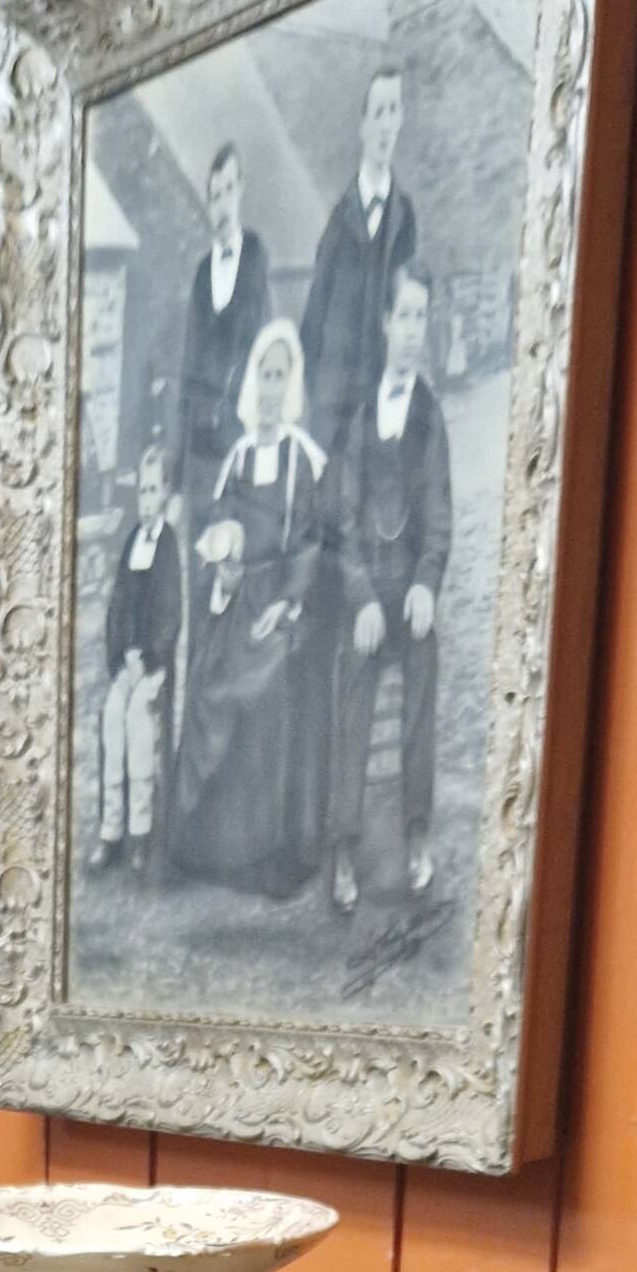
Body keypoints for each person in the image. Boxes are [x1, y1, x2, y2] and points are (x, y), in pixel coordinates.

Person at [167, 319, 332, 902]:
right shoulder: (237, 458)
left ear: (291, 386)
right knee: (209, 683)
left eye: (279, 376)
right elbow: (217, 529)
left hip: (280, 606)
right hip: (237, 599)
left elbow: (310, 544)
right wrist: (224, 562)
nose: (268, 387)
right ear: (251, 382)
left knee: (268, 691)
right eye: (262, 374)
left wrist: (286, 605)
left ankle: (266, 854)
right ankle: (209, 849)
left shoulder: (301, 461)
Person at [327, 260, 453, 911]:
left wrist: (426, 584)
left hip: (410, 594)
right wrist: (362, 598)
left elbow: (439, 514)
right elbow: (343, 520)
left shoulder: (429, 417)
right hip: (370, 594)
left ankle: (416, 832)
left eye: (421, 318)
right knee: (351, 685)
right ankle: (343, 846)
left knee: (423, 675)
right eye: (403, 316)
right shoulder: (357, 416)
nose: (411, 331)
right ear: (384, 324)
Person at [297, 66, 417, 462]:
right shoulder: (338, 219)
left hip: (379, 387)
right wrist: (309, 390)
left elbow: (406, 305)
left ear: (401, 122)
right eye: (378, 113)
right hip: (334, 397)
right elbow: (315, 314)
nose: (386, 125)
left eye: (393, 111)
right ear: (362, 126)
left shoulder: (404, 217)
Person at [92, 441, 182, 875]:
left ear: (166, 493)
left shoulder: (168, 546)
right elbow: (118, 606)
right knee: (113, 717)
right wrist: (119, 658)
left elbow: (169, 614)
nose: (146, 500)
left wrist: (148, 661)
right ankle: (111, 831)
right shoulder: (132, 542)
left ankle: (140, 834)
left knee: (139, 726)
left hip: (154, 666)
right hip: (127, 662)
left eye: (153, 491)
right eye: (141, 492)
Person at [173, 142, 271, 512]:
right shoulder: (201, 275)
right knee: (201, 552)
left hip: (241, 433)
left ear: (241, 190)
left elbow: (260, 348)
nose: (222, 204)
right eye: (215, 196)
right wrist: (178, 479)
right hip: (201, 446)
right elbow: (189, 365)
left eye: (229, 190)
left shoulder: (256, 256)